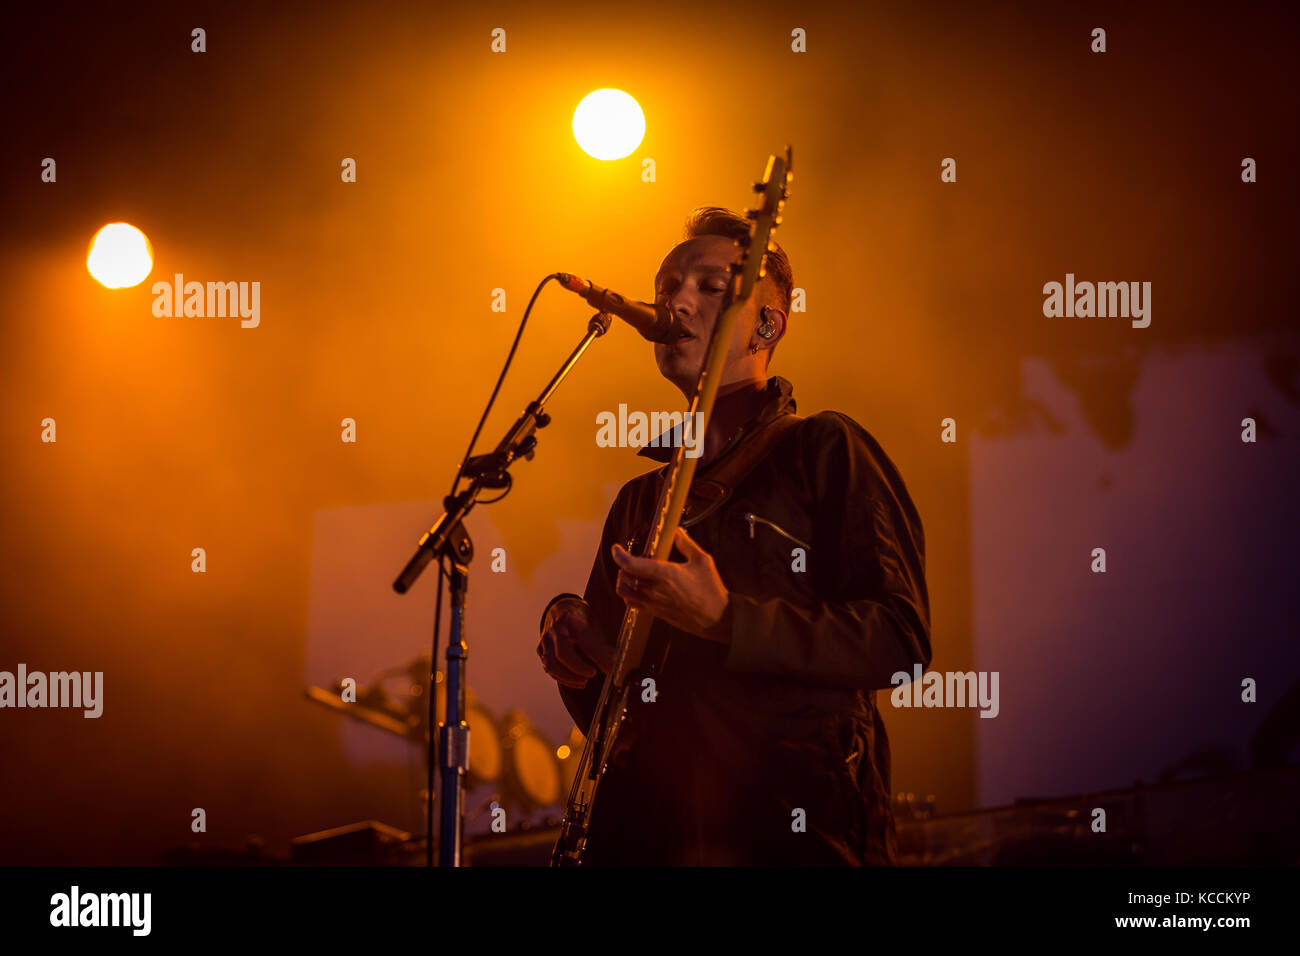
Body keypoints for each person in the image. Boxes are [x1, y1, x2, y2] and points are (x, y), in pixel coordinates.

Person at [537, 206, 931, 865]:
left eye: (711, 287)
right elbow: (617, 717)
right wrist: (572, 642)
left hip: (791, 840)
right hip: (651, 839)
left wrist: (726, 619)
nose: (675, 301)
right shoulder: (642, 500)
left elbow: (901, 641)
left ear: (769, 324)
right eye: (666, 286)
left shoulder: (825, 448)